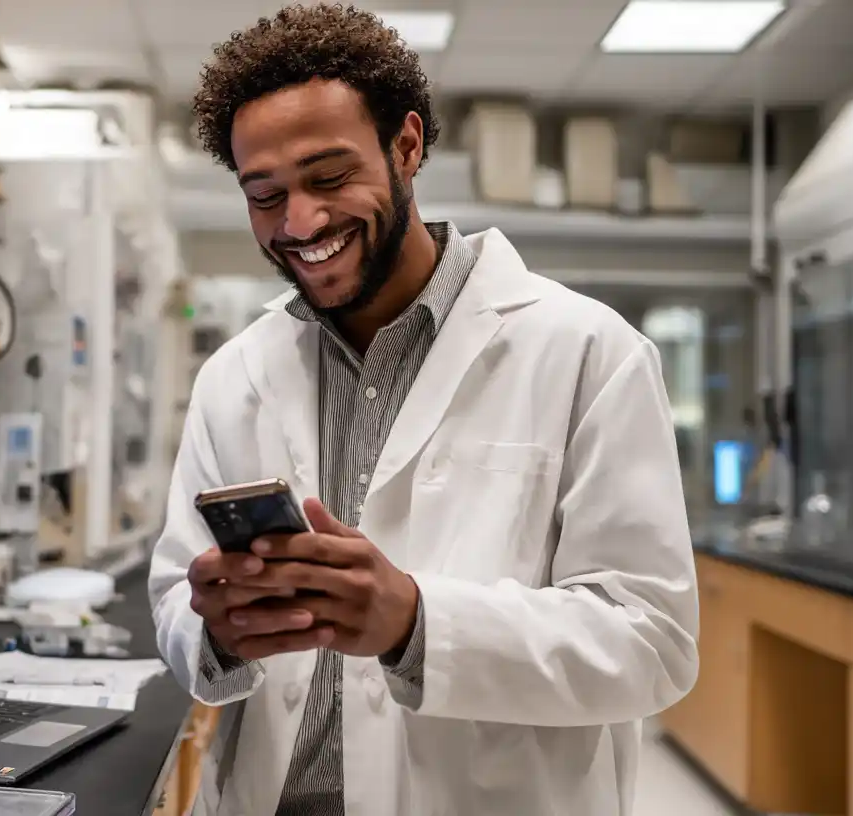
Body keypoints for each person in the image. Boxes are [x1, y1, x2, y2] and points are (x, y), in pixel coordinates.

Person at [147, 6, 699, 815]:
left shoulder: (588, 353)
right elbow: (173, 593)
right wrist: (221, 631)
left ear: (407, 146)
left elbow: (651, 641)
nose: (300, 224)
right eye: (265, 195)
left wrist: (417, 622)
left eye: (329, 177)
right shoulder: (236, 375)